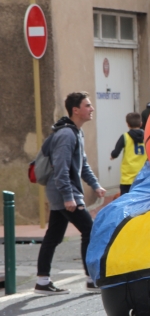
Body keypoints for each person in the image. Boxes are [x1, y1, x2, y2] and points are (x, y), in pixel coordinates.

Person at [35, 92, 107, 295]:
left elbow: (82, 164)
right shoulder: (66, 135)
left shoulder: (76, 132)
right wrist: (69, 197)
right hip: (64, 194)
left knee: (53, 236)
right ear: (76, 110)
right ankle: (91, 279)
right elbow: (61, 169)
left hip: (66, 194)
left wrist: (95, 185)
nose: (91, 109)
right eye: (88, 105)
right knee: (89, 231)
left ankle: (42, 281)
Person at [110, 112, 147, 195]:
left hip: (127, 178)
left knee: (125, 201)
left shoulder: (125, 136)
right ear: (141, 124)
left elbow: (116, 152)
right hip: (142, 176)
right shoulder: (147, 136)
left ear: (128, 124)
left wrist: (112, 155)